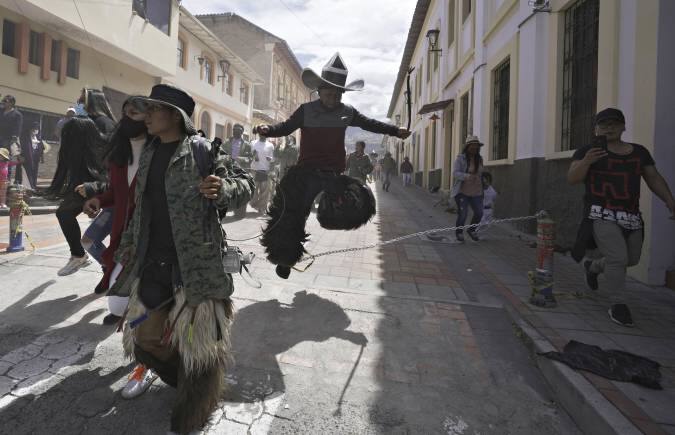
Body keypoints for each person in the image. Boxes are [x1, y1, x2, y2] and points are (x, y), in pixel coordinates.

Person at [107, 84, 253, 433]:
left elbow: (243, 182)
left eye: (155, 110)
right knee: (145, 338)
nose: (149, 116)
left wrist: (223, 189)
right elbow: (141, 207)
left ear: (175, 116)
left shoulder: (202, 150)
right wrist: (127, 246)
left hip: (197, 267)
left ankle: (194, 405)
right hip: (152, 262)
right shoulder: (149, 152)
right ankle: (181, 381)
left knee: (200, 348)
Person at [255, 52, 410, 279]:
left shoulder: (347, 113)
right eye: (328, 92)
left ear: (341, 94)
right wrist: (268, 130)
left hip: (333, 174)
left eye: (337, 93)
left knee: (356, 204)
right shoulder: (306, 111)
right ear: (319, 91)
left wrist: (395, 131)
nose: (332, 97)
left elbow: (370, 124)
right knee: (291, 212)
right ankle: (285, 258)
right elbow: (286, 127)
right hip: (305, 173)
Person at [569, 108, 675, 327]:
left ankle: (593, 267)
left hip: (631, 216)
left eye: (615, 123)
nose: (609, 127)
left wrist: (669, 200)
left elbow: (653, 177)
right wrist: (586, 161)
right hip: (601, 213)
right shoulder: (587, 151)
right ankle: (618, 304)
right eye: (604, 124)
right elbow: (572, 178)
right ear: (596, 128)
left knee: (631, 259)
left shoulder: (639, 152)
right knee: (618, 258)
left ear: (623, 126)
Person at [46, 117, 107, 276]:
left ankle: (112, 272)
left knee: (94, 239)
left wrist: (93, 189)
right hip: (93, 192)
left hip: (117, 200)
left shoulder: (106, 151)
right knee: (67, 216)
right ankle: (81, 256)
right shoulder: (76, 153)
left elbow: (112, 181)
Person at [450, 136, 485, 242]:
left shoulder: (480, 159)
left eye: (476, 146)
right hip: (462, 191)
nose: (474, 148)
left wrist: (484, 183)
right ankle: (459, 233)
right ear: (467, 147)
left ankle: (472, 230)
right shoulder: (460, 158)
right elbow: (455, 173)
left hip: (476, 191)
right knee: (463, 214)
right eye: (472, 146)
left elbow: (480, 173)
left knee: (479, 212)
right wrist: (466, 176)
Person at [222, 123, 253, 218]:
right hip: (229, 171)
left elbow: (251, 158)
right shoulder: (227, 142)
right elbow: (221, 154)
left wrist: (241, 159)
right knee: (229, 191)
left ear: (242, 132)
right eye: (234, 130)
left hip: (241, 171)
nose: (236, 132)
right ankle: (226, 210)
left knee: (242, 191)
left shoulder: (247, 145)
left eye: (238, 131)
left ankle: (240, 212)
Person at [249, 132, 275, 212]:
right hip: (254, 170)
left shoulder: (270, 145)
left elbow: (273, 158)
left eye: (265, 134)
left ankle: (262, 207)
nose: (263, 135)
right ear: (259, 134)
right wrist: (253, 156)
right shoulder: (253, 143)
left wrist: (270, 159)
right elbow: (249, 155)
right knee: (253, 190)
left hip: (265, 170)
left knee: (264, 191)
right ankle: (254, 204)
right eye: (261, 133)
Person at [0, 95, 23, 184]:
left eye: (6, 101)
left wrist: (14, 138)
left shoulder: (17, 115)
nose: (4, 102)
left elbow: (18, 128)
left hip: (8, 139)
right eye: (4, 101)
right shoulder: (1, 111)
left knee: (4, 159)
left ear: (12, 103)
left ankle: (6, 180)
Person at [20, 121, 45, 190]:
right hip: (27, 158)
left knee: (34, 172)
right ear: (30, 129)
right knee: (28, 173)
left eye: (36, 129)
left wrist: (42, 158)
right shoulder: (25, 138)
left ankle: (33, 186)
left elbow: (42, 148)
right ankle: (29, 188)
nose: (35, 130)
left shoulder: (39, 138)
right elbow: (21, 148)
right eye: (33, 128)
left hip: (35, 158)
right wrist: (21, 156)